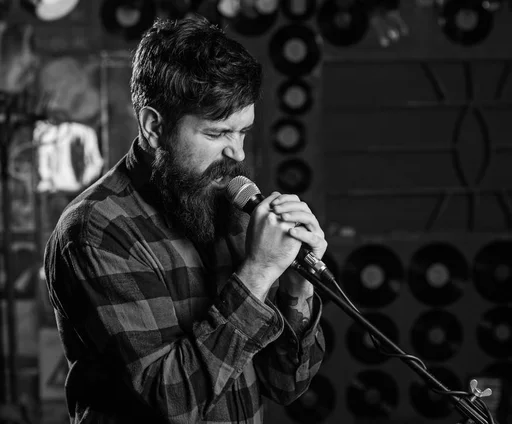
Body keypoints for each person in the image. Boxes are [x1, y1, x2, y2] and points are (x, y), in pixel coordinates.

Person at [43, 15, 328, 424]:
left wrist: (297, 288)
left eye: (242, 132)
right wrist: (260, 271)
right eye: (216, 134)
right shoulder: (97, 232)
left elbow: (286, 384)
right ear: (154, 126)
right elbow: (174, 404)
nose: (238, 154)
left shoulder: (227, 204)